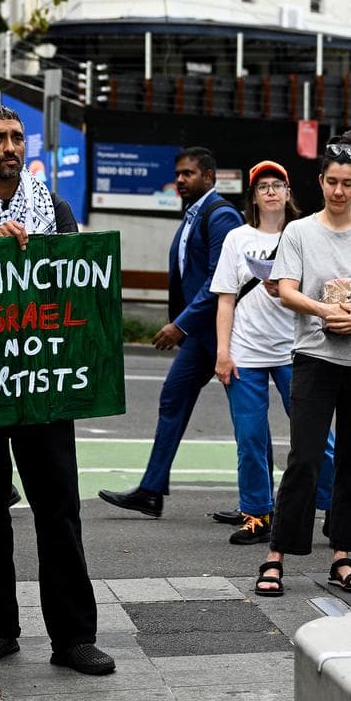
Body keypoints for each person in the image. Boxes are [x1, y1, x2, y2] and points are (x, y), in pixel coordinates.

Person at [0, 105, 114, 675]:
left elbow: (76, 284)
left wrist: (41, 249)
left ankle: (74, 636)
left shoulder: (52, 209)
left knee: (58, 511)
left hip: (44, 384)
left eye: (16, 138)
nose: (9, 147)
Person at [254, 130, 351, 597]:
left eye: (348, 183)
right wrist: (325, 311)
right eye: (332, 181)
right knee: (305, 458)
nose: (339, 191)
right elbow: (287, 289)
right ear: (319, 181)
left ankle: (343, 552)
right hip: (315, 357)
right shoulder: (299, 232)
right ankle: (276, 554)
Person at [98, 147, 243, 518]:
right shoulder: (193, 216)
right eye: (178, 174)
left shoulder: (221, 216)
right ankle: (151, 490)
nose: (180, 180)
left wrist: (180, 324)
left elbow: (219, 280)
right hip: (201, 338)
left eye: (188, 174)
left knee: (247, 419)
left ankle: (264, 506)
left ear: (208, 177)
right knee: (172, 400)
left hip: (226, 336)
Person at [208, 160, 338, 545]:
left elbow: (323, 290)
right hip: (245, 352)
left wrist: (286, 290)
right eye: (262, 185)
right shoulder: (237, 239)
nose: (269, 191)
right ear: (253, 196)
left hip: (295, 349)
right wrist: (222, 352)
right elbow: (225, 300)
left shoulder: (304, 235)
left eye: (276, 185)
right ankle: (257, 514)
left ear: (288, 193)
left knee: (316, 437)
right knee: (250, 439)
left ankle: (336, 509)